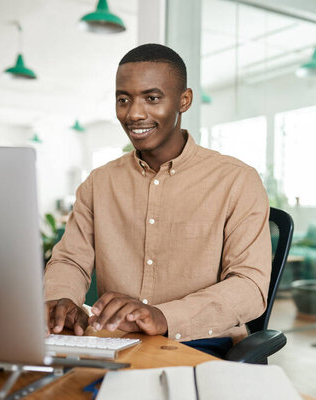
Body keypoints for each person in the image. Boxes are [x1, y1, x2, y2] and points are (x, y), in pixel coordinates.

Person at [44, 43, 271, 357]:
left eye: (152, 98)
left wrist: (164, 316)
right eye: (124, 99)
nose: (134, 113)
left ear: (184, 100)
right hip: (115, 341)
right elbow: (70, 260)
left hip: (202, 343)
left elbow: (250, 286)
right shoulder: (99, 182)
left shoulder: (236, 180)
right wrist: (62, 300)